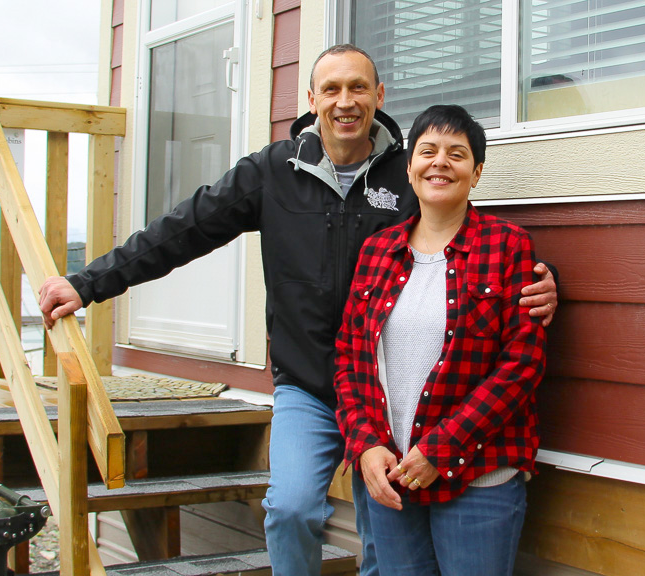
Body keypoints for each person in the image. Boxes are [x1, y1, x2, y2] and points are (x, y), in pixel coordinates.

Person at [38, 46, 558, 575]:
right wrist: (88, 283)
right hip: (310, 382)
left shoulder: (409, 172)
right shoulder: (272, 171)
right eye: (330, 90)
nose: (345, 102)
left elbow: (464, 242)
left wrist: (543, 281)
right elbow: (182, 230)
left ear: (379, 97)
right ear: (311, 100)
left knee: (383, 542)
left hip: (392, 393)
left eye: (358, 88)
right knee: (289, 509)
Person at [334, 104, 547, 576]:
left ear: (477, 172)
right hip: (393, 472)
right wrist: (365, 443)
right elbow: (349, 358)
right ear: (409, 169)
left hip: (479, 478)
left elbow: (521, 365)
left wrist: (442, 448)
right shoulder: (377, 252)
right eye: (427, 151)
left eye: (457, 154)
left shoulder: (508, 246)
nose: (440, 162)